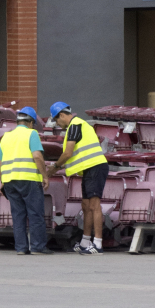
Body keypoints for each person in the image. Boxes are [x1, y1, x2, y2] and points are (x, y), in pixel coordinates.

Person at [47, 101, 107, 252]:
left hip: (95, 167)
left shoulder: (75, 125)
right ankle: (85, 242)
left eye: (56, 120)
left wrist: (55, 167)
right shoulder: (76, 125)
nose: (57, 123)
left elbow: (68, 153)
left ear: (61, 115)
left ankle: (98, 244)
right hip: (90, 168)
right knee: (86, 206)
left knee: (94, 205)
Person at [0, 105, 48, 254]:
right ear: (31, 122)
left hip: (10, 181)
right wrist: (45, 176)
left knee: (18, 215)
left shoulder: (6, 136)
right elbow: (37, 156)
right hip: (29, 179)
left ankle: (21, 248)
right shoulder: (31, 133)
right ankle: (37, 247)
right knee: (35, 214)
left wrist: (3, 181)